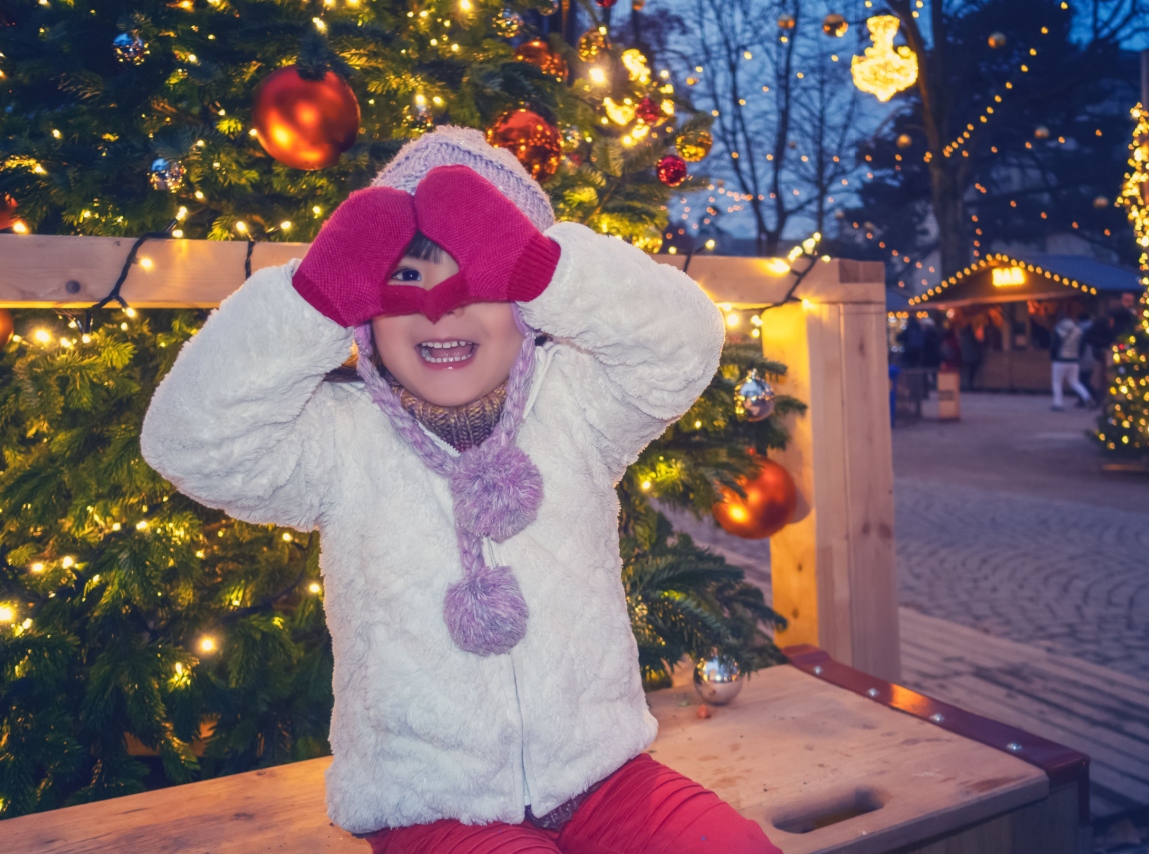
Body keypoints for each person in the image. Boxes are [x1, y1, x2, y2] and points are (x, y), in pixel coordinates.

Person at [140, 127, 780, 854]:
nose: (441, 311)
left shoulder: (580, 406)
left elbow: (684, 341)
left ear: (533, 310)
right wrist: (311, 298)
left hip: (603, 774)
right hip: (430, 803)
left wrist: (547, 268)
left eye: (483, 281)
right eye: (405, 284)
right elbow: (188, 442)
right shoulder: (335, 443)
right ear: (363, 314)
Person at [1050, 312, 1095, 411]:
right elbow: (1082, 346)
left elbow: (1054, 344)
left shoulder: (1058, 329)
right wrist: (1078, 356)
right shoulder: (1078, 330)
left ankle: (1058, 404)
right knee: (1074, 382)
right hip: (1074, 360)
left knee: (1057, 382)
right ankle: (1087, 397)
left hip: (1060, 359)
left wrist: (1053, 357)